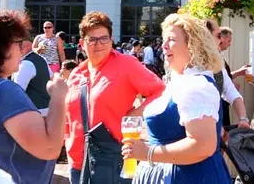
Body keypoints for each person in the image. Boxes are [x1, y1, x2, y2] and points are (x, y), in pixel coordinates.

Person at [123, 13, 231, 183]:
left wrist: (148, 153)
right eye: (164, 39)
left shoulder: (196, 86)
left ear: (192, 46)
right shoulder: (181, 81)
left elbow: (202, 146)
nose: (163, 46)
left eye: (171, 40)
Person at [64, 12, 166, 184]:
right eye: (92, 39)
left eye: (104, 38)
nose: (99, 44)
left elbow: (161, 92)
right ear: (82, 43)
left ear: (111, 40)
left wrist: (135, 114)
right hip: (77, 164)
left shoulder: (126, 64)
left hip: (111, 161)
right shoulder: (76, 73)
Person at [0, 10, 67, 184]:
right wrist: (58, 96)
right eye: (18, 43)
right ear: (0, 48)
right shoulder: (3, 91)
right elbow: (49, 148)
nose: (23, 48)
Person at [13, 37, 53, 116]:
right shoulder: (42, 59)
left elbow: (17, 90)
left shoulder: (26, 64)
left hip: (33, 111)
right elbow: (51, 78)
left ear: (26, 45)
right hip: (45, 108)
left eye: (18, 45)